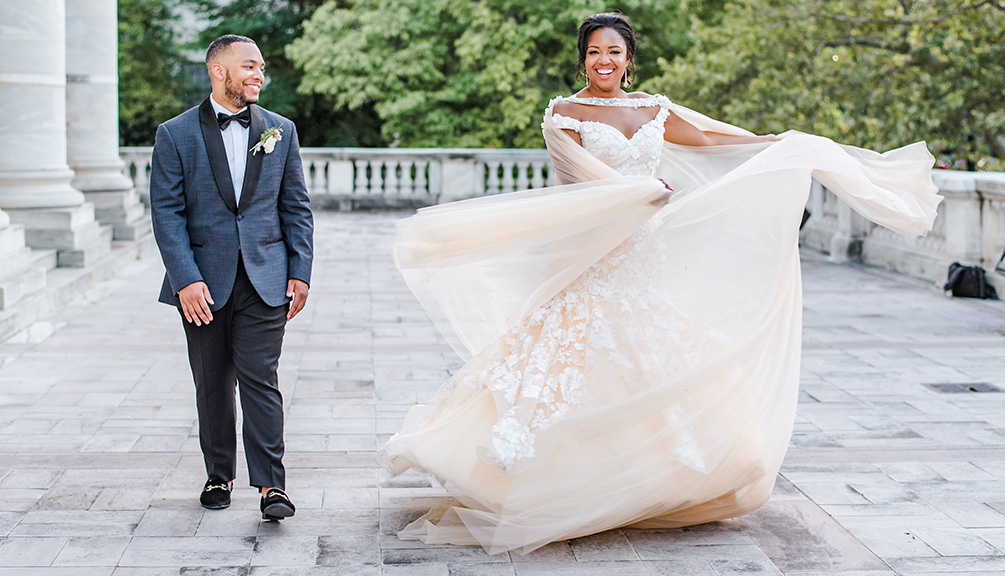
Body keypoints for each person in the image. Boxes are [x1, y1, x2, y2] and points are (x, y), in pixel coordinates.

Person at [380, 13, 941, 553]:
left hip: (643, 254)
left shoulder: (654, 109)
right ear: (582, 60)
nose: (604, 60)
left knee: (646, 352)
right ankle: (566, 483)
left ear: (629, 60)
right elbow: (578, 179)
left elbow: (712, 141)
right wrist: (640, 193)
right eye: (594, 52)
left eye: (614, 52)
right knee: (574, 356)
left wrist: (777, 145)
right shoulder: (564, 114)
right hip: (595, 252)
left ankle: (658, 483)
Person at [150, 34, 314, 521]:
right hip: (202, 284)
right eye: (249, 66)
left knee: (261, 379)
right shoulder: (175, 134)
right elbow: (166, 214)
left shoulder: (281, 130)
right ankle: (218, 474)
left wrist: (300, 271)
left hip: (267, 278)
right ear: (218, 71)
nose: (259, 74)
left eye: (261, 66)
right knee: (212, 382)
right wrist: (185, 279)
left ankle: (271, 486)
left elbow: (296, 207)